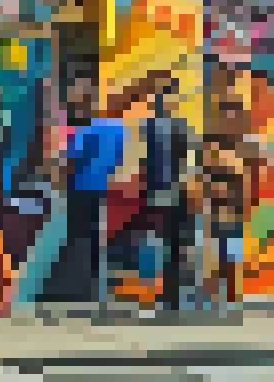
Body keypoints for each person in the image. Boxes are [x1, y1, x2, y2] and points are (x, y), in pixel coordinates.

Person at [58, 79, 124, 309]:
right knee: (98, 237)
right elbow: (121, 159)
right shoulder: (119, 128)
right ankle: (98, 286)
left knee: (76, 236)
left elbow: (71, 161)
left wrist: (59, 183)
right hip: (108, 189)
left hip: (81, 189)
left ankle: (78, 287)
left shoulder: (86, 128)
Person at [134, 78, 194, 314]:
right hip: (156, 191)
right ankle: (162, 295)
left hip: (177, 192)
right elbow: (143, 160)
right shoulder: (148, 126)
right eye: (162, 96)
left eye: (169, 96)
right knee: (158, 245)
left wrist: (183, 184)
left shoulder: (181, 126)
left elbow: (188, 159)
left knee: (174, 246)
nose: (165, 101)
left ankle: (172, 296)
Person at [197, 130, 252, 314]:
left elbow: (243, 195)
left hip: (231, 219)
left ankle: (230, 299)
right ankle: (215, 299)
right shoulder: (209, 169)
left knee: (230, 261)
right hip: (216, 219)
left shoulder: (234, 167)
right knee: (214, 260)